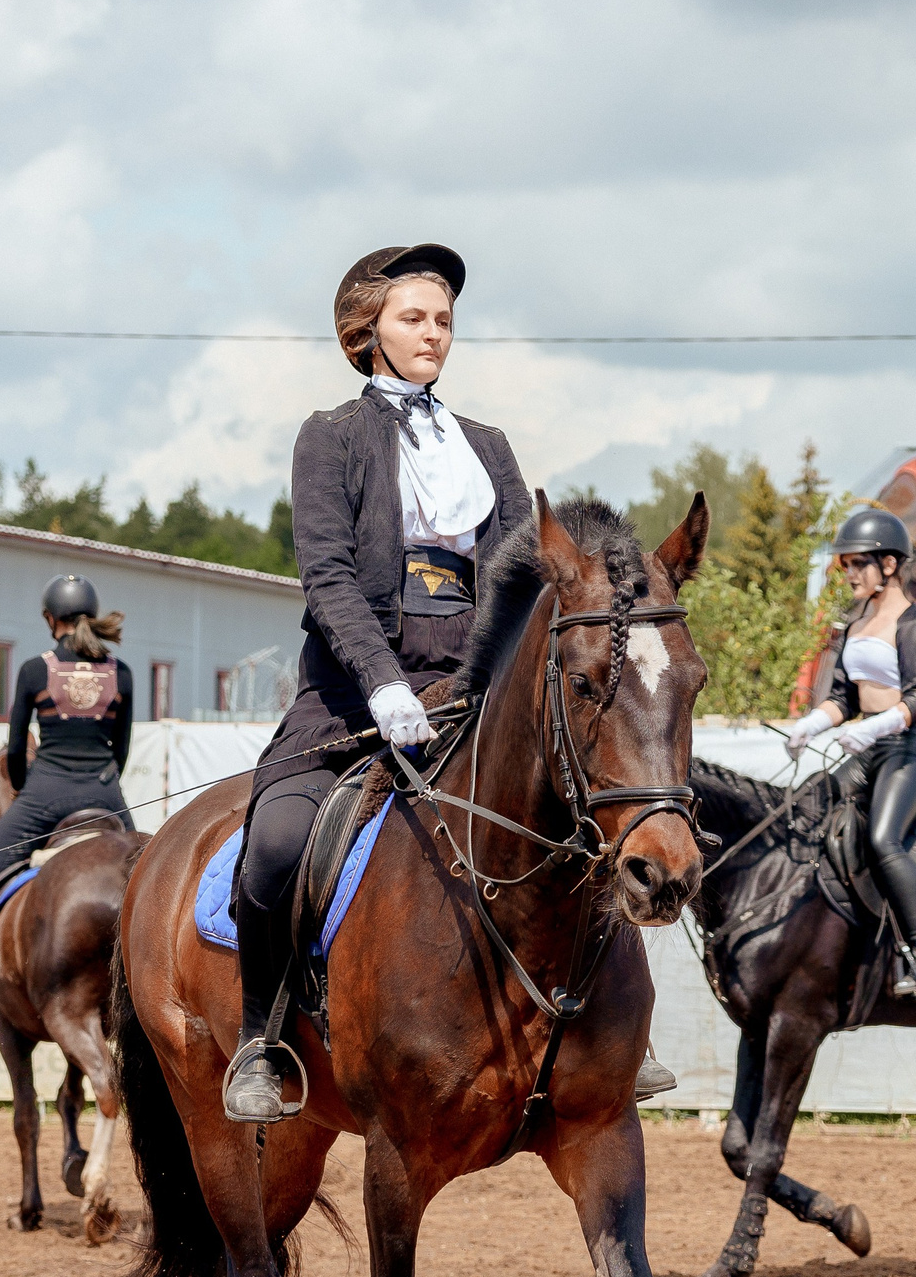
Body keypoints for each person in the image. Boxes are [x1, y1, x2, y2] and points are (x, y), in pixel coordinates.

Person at [222, 244, 679, 1122]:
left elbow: (526, 579)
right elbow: (326, 577)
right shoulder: (331, 438)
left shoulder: (489, 448)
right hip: (355, 700)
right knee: (277, 842)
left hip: (474, 693)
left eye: (443, 321)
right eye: (413, 318)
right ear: (367, 331)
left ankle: (622, 1028)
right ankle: (262, 1040)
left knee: (589, 810)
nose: (433, 334)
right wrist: (385, 684)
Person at [0, 575, 133, 1028]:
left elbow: (17, 749)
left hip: (44, 795)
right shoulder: (121, 673)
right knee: (144, 885)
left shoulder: (36, 671)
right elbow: (122, 751)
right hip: (105, 794)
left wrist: (24, 789)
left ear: (48, 619)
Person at [785, 508, 916, 999]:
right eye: (844, 565)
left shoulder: (914, 625)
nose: (849, 574)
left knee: (884, 839)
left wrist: (876, 727)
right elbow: (843, 698)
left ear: (888, 564)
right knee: (808, 807)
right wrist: (812, 725)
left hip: (907, 751)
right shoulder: (855, 623)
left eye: (857, 563)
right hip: (868, 747)